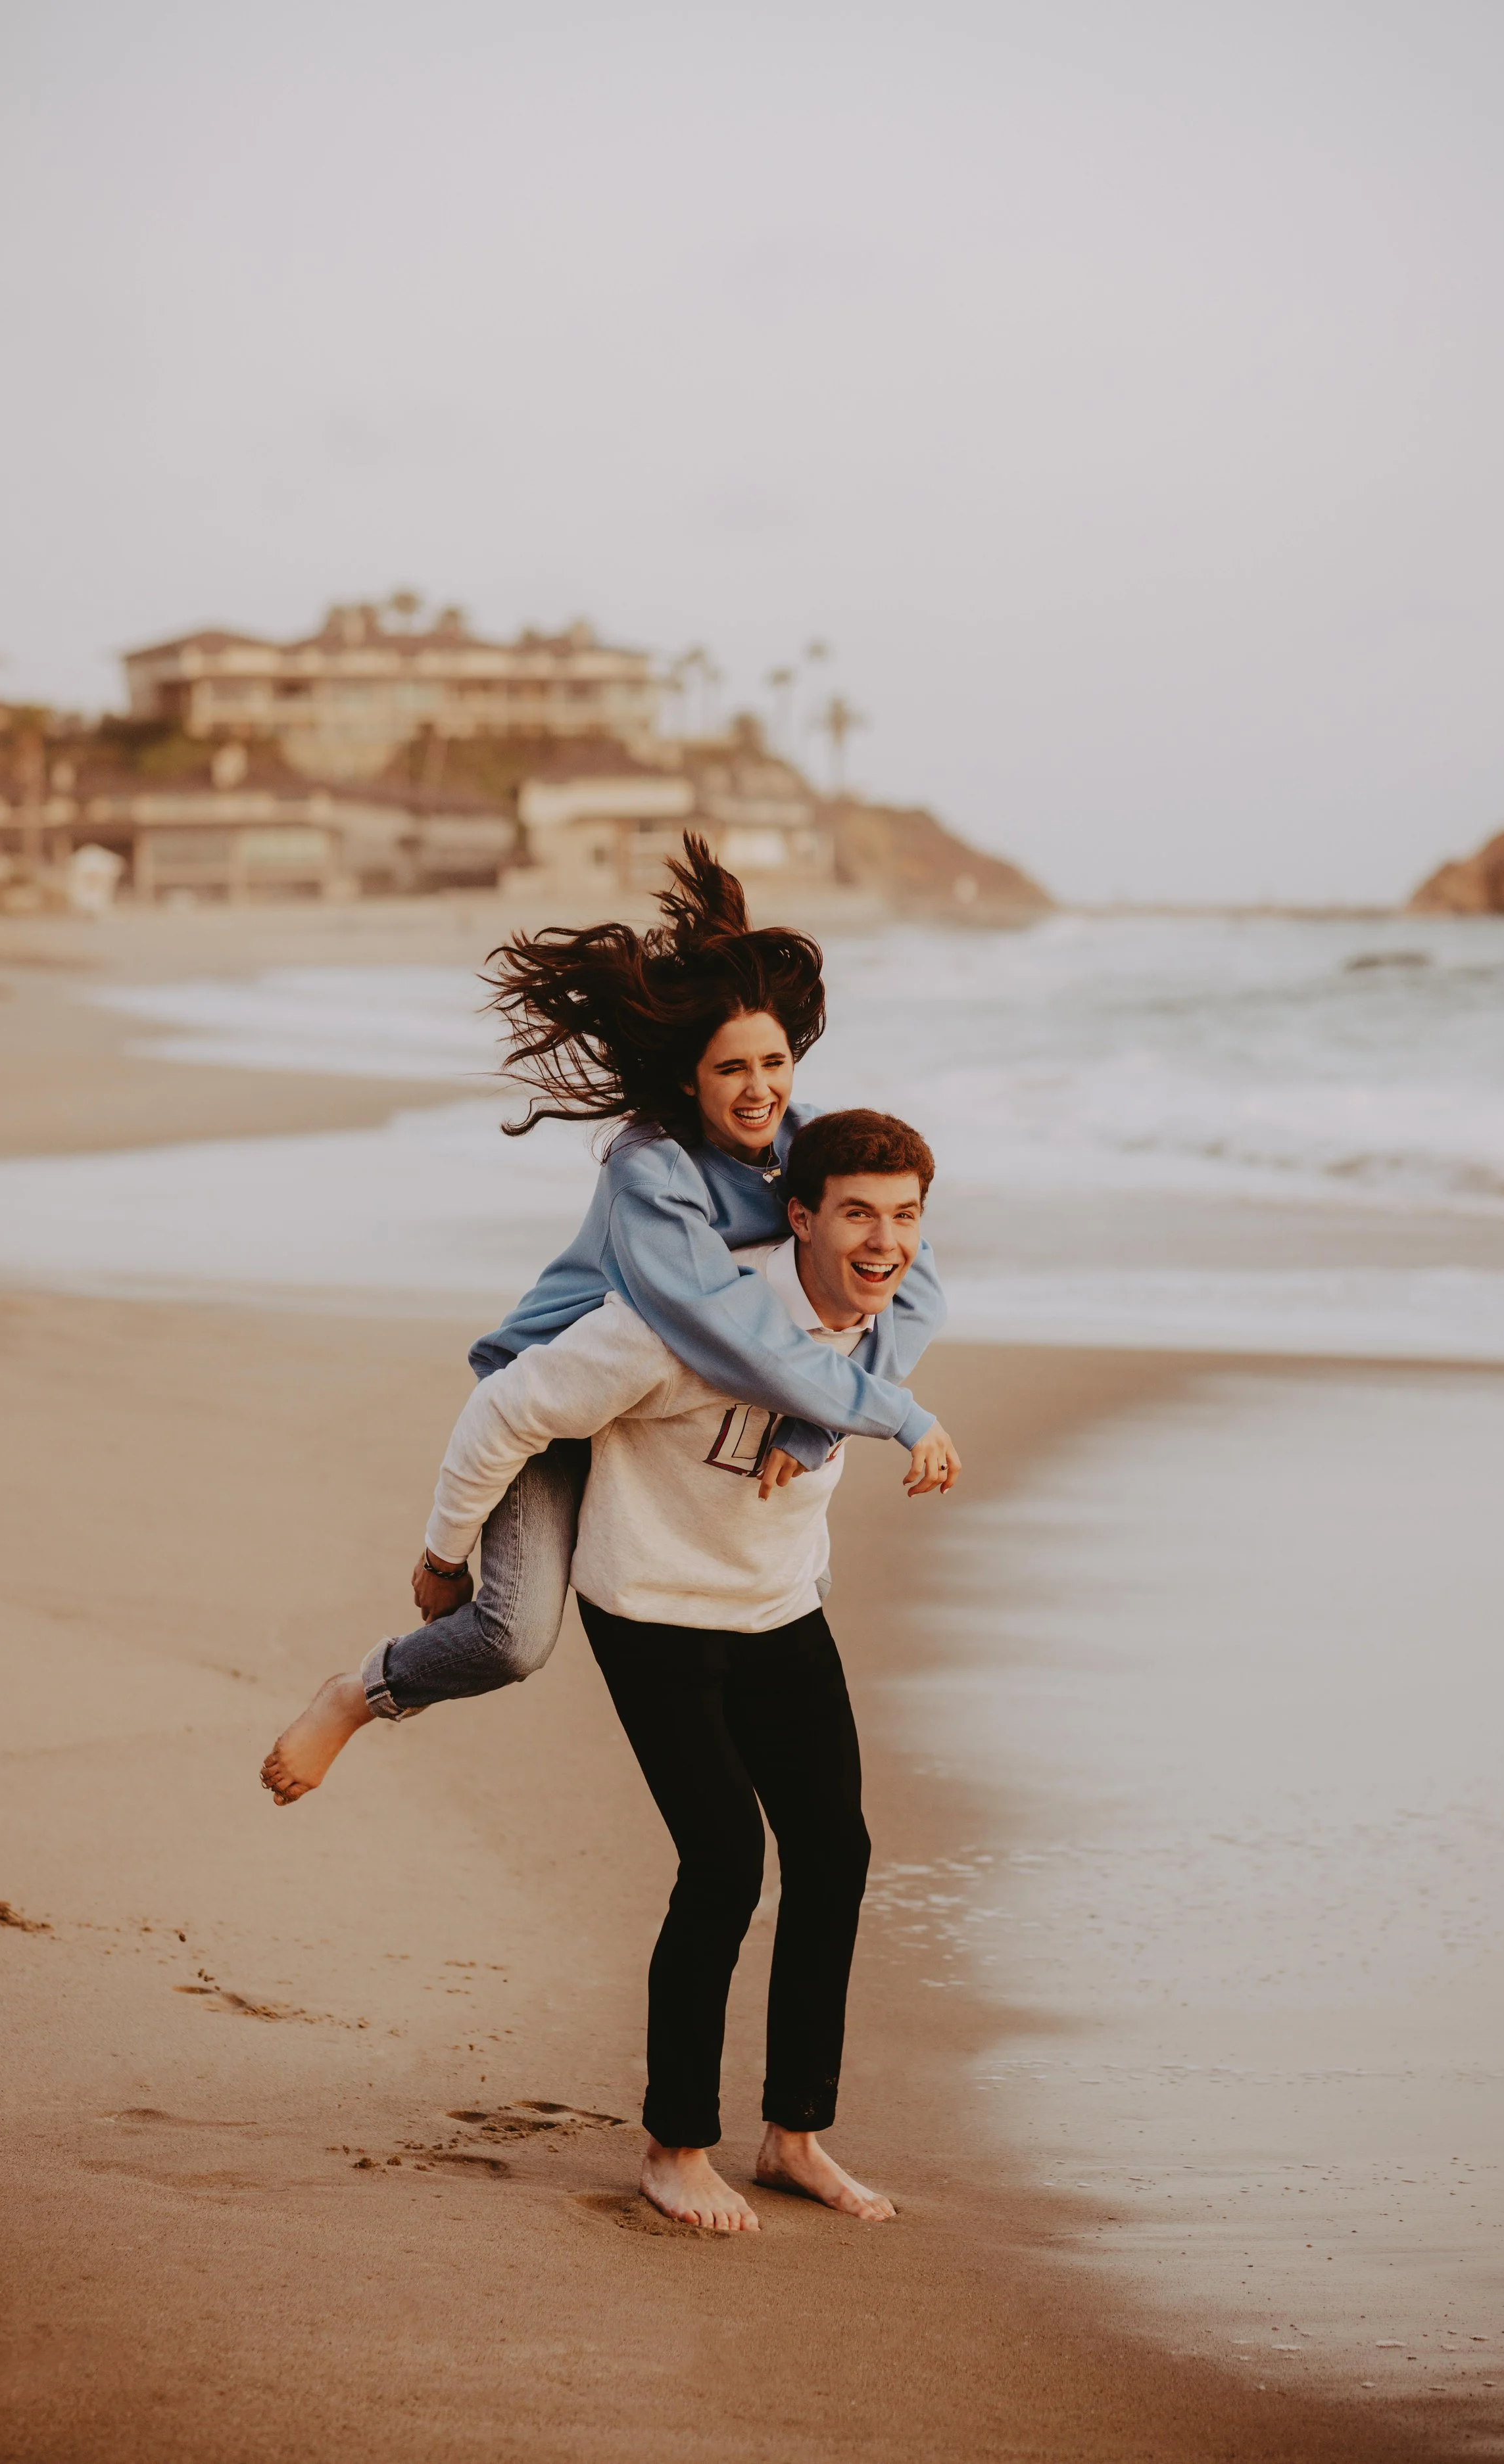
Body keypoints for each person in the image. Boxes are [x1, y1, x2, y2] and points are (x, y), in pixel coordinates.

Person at [262, 837, 957, 1805]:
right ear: (687, 1078)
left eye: (775, 1062)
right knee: (513, 1637)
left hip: (676, 1403)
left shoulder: (805, 1144)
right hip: (562, 1393)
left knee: (786, 1575)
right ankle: (360, 1690)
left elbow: (914, 1281)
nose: (760, 1089)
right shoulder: (650, 1171)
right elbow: (714, 1325)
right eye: (732, 1070)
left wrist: (822, 1417)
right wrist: (441, 1554)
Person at [406, 1106, 949, 2229]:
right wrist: (446, 1552)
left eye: (903, 1218)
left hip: (779, 1610)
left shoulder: (879, 1324)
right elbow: (508, 1407)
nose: (883, 1242)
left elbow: (894, 1317)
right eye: (856, 1213)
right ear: (797, 1216)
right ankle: (673, 2148)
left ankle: (795, 2134)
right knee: (723, 1861)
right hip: (652, 1613)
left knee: (835, 1852)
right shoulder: (677, 1325)